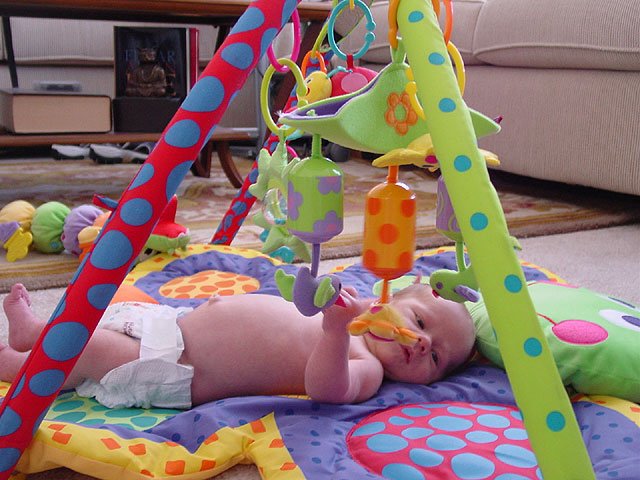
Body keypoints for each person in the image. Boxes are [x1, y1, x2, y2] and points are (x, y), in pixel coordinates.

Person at [0, 281, 476, 409]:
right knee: (83, 356)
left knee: (89, 350)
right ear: (390, 299)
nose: (421, 344)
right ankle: (12, 363)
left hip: (176, 368)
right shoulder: (357, 311)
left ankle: (31, 336)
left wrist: (334, 333)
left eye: (436, 358)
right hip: (172, 329)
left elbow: (327, 390)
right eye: (420, 322)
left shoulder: (364, 364)